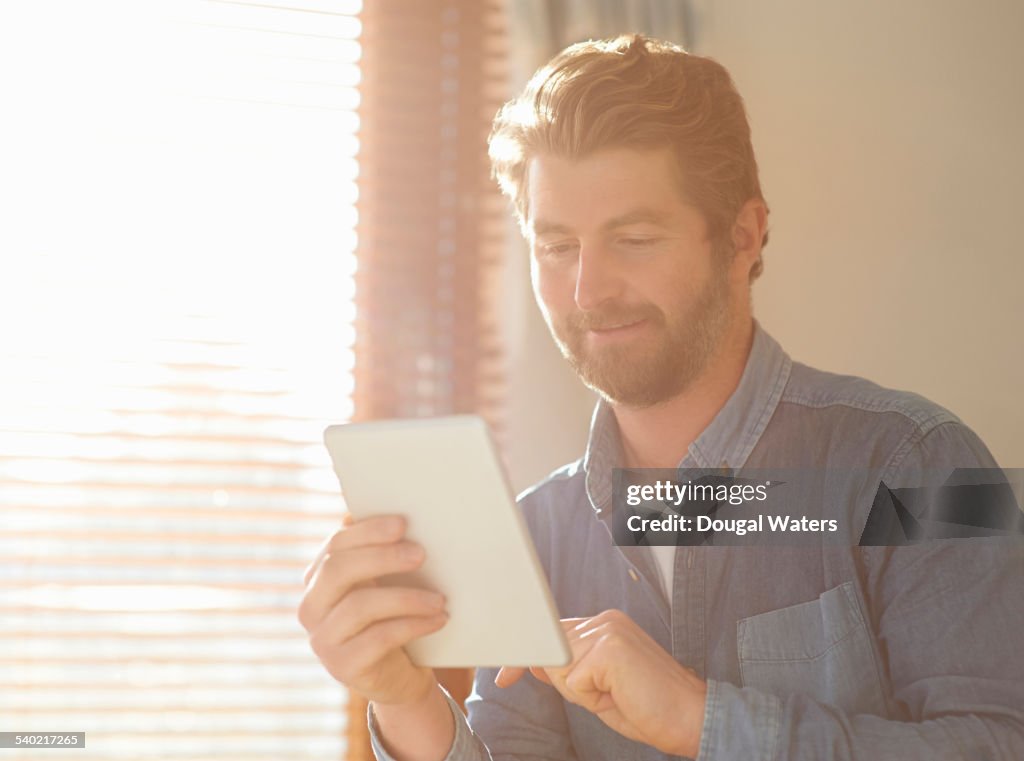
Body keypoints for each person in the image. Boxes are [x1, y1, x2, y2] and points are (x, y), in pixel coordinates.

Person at [298, 34, 1024, 760]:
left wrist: (696, 718)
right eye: (556, 246)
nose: (587, 291)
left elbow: (999, 743)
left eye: (634, 238)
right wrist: (405, 701)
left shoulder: (930, 464)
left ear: (743, 236)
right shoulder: (538, 531)